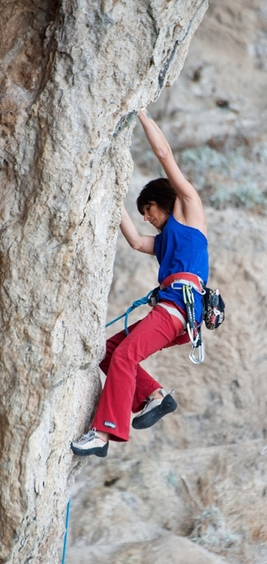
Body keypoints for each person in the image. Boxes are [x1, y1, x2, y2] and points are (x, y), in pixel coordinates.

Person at [71, 110, 209, 457]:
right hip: (171, 311)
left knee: (125, 359)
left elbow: (165, 155)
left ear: (163, 200)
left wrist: (142, 114)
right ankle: (154, 396)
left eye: (148, 210)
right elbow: (134, 240)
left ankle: (104, 434)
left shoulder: (189, 211)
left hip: (177, 309)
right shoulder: (163, 242)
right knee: (110, 352)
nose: (146, 218)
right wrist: (112, 190)